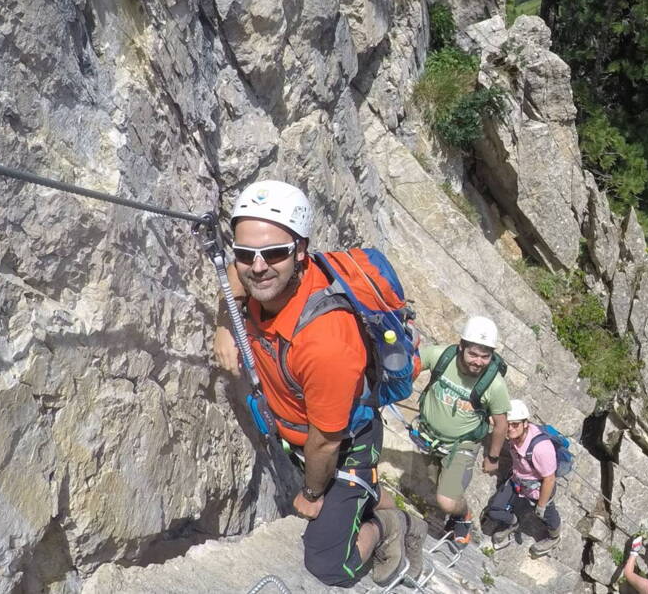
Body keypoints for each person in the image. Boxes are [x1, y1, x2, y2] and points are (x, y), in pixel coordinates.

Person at [212, 180, 415, 586]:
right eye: (245, 252)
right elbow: (235, 276)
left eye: (273, 253)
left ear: (301, 251)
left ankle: (392, 526)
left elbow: (325, 442)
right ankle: (367, 494)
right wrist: (224, 324)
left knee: (327, 564)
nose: (257, 266)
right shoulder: (260, 273)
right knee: (350, 493)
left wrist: (313, 494)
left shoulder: (326, 344)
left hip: (344, 444)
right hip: (302, 431)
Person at [415, 315, 512, 545]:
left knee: (446, 500)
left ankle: (462, 515)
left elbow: (501, 424)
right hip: (429, 435)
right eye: (473, 354)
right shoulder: (442, 357)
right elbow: (411, 365)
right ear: (461, 347)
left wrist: (493, 457)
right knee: (433, 481)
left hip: (463, 444)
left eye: (485, 356)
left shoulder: (494, 385)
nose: (478, 361)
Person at [484, 400, 562, 555]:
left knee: (547, 514)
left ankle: (554, 536)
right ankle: (513, 523)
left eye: (515, 424)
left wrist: (541, 505)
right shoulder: (513, 432)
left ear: (525, 423)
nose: (511, 429)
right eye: (508, 424)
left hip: (538, 489)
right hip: (517, 480)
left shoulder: (541, 448)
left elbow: (549, 479)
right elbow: (493, 419)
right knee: (494, 511)